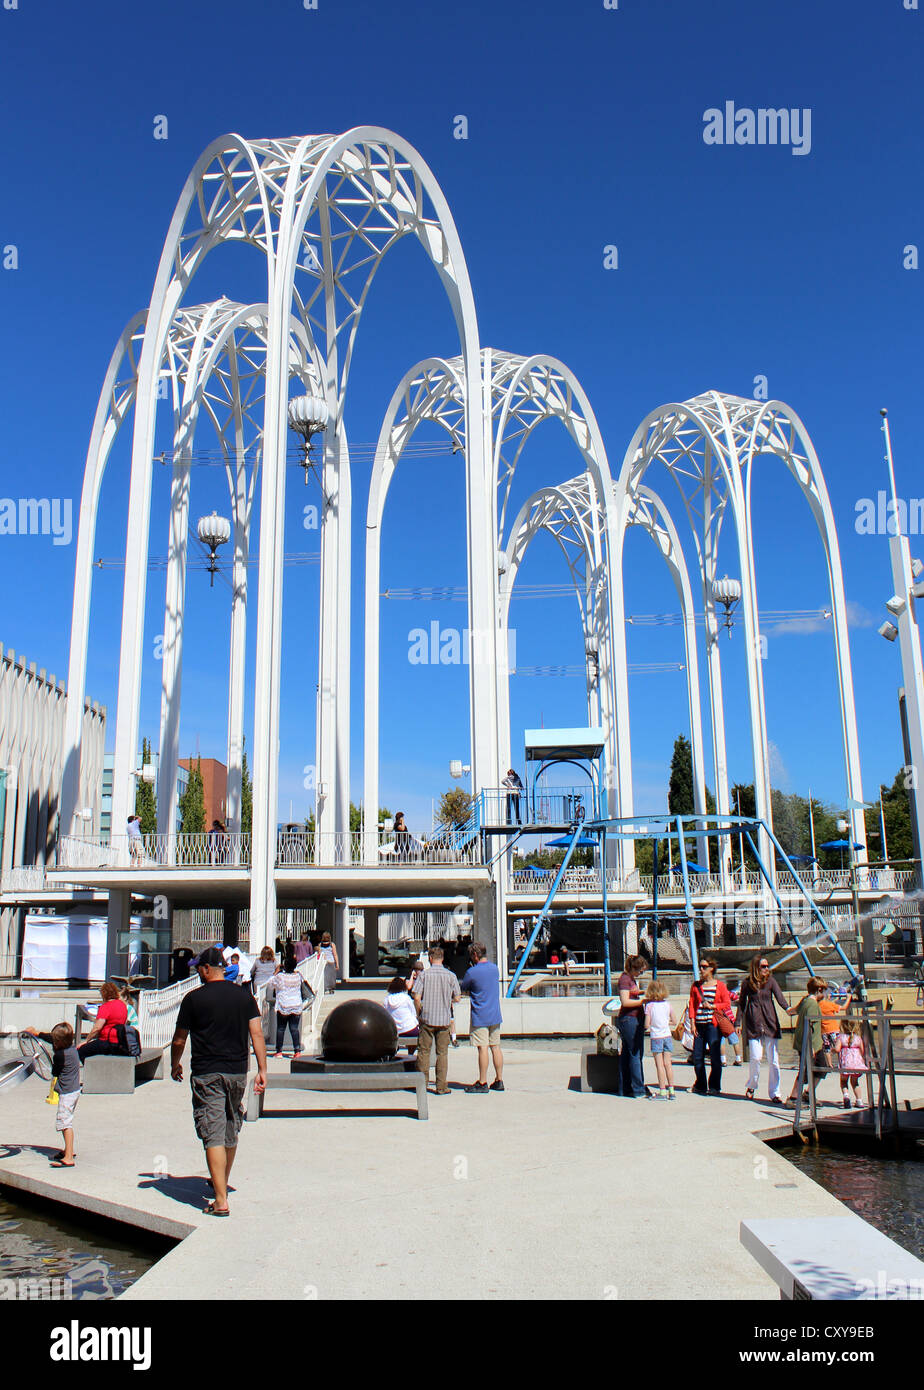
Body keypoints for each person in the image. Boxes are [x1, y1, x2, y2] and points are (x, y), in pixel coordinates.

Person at [171, 946, 267, 1217]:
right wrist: (262, 1069)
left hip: (207, 1073)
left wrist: (174, 1063)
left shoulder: (193, 999)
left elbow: (179, 1039)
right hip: (237, 1072)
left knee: (212, 1132)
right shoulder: (243, 996)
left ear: (205, 969)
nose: (196, 972)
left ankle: (221, 1199)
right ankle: (220, 1181)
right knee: (230, 1128)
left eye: (197, 968)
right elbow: (256, 1033)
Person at [737, 955, 788, 1104]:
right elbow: (741, 1003)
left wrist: (788, 1009)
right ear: (755, 968)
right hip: (754, 1024)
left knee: (774, 1061)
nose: (766, 969)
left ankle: (775, 1092)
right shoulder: (747, 984)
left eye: (767, 966)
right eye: (763, 966)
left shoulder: (771, 982)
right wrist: (737, 1022)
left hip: (770, 1023)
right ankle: (752, 1085)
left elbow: (780, 998)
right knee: (756, 1057)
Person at [412, 946, 461, 1095]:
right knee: (442, 1054)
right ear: (443, 958)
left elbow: (416, 997)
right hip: (444, 1019)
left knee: (424, 1052)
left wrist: (418, 1012)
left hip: (427, 1018)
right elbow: (458, 997)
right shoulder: (451, 976)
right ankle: (441, 1086)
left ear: (431, 959)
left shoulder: (424, 976)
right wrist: (448, 999)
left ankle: (423, 1084)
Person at [460, 942, 504, 1093]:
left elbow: (464, 988)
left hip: (480, 1015)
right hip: (495, 1014)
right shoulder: (494, 968)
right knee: (496, 1047)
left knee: (482, 1048)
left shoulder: (472, 972)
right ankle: (499, 1080)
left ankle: (483, 1081)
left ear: (474, 955)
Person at [688, 957, 733, 1096]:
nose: (701, 969)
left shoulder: (720, 985)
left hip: (712, 1025)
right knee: (697, 1056)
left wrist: (713, 1006)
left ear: (711, 968)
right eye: (700, 967)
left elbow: (726, 1003)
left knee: (714, 1056)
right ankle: (700, 1084)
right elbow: (692, 1005)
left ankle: (714, 1086)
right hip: (699, 1025)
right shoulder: (696, 985)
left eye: (704, 967)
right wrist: (692, 1023)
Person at [786, 977, 826, 1106]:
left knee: (821, 1067)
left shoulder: (805, 1000)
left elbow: (794, 1010)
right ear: (819, 990)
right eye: (823, 991)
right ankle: (793, 1098)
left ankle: (808, 1093)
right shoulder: (813, 1005)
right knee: (806, 1071)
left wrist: (789, 1010)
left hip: (808, 1043)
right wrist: (811, 1048)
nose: (824, 995)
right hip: (811, 1044)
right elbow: (810, 1026)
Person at [616, 955, 648, 1098]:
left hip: (635, 1018)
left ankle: (626, 1088)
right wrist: (643, 1001)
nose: (641, 974)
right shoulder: (624, 979)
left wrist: (642, 993)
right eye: (640, 971)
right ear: (633, 968)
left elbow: (632, 994)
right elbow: (625, 1001)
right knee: (635, 1053)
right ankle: (638, 1089)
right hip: (629, 1019)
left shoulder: (631, 979)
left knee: (627, 1054)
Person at [77, 982, 128, 1060]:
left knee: (82, 1051)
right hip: (120, 1041)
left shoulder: (105, 1007)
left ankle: (92, 1070)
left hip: (107, 1041)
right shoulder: (122, 1005)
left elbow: (97, 1028)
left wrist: (87, 1040)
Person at [643, 980, 676, 1100]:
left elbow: (646, 1024)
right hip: (667, 1035)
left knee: (659, 1065)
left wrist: (651, 1024)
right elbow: (674, 1021)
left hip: (656, 1037)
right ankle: (671, 1090)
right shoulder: (668, 1004)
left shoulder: (650, 1006)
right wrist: (665, 1022)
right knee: (668, 1064)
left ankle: (662, 1091)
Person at [272, 948, 306, 1058]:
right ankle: (297, 1050)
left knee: (281, 1028)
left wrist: (276, 971)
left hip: (283, 1004)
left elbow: (271, 983)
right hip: (296, 1004)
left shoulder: (280, 977)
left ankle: (279, 1051)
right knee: (294, 1028)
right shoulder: (298, 976)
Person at [835, 1018, 868, 1108]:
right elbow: (862, 1051)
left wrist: (832, 1049)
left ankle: (846, 1096)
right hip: (857, 1064)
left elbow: (837, 1049)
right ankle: (859, 1101)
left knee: (843, 1081)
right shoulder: (858, 1038)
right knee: (855, 1082)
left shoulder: (841, 1037)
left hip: (846, 1063)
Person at [382, 976, 419, 1052]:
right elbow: (413, 1013)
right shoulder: (406, 998)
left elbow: (385, 1015)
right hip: (410, 1029)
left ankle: (395, 1053)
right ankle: (410, 1054)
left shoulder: (386, 1000)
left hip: (395, 1031)